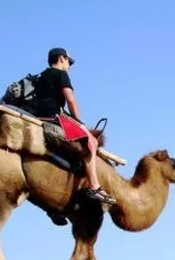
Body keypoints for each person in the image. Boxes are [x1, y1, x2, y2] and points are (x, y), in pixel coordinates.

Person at [33, 47, 116, 205]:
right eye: (69, 62)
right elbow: (70, 100)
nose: (69, 66)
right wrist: (80, 123)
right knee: (91, 142)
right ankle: (94, 186)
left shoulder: (41, 76)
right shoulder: (60, 74)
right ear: (61, 58)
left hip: (37, 118)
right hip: (52, 120)